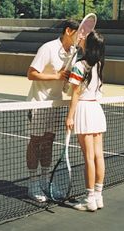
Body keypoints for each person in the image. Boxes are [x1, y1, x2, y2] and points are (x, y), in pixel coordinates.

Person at [26, 19, 80, 202]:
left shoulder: (73, 52)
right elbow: (30, 73)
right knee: (36, 142)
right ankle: (33, 184)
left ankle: (45, 181)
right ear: (68, 31)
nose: (80, 37)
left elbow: (66, 79)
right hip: (39, 103)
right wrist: (56, 76)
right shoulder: (47, 48)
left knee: (49, 141)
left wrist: (66, 81)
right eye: (77, 33)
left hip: (56, 104)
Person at [66, 30, 106, 211]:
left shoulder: (79, 66)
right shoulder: (98, 64)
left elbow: (75, 93)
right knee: (98, 156)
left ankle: (89, 198)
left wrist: (70, 117)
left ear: (89, 46)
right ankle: (98, 196)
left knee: (88, 157)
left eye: (85, 39)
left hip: (84, 110)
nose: (81, 38)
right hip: (96, 110)